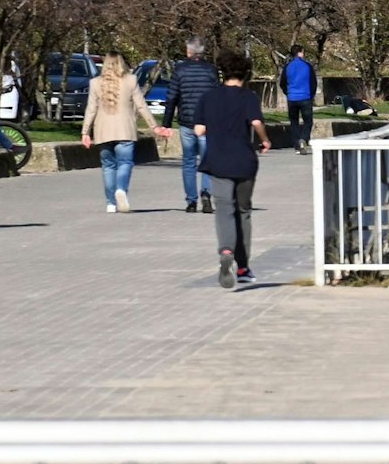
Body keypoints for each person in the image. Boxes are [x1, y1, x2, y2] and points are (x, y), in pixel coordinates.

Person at [196, 50, 272, 288]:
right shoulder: (248, 97)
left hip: (218, 161)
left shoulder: (208, 97)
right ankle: (242, 266)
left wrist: (215, 128)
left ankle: (226, 250)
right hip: (244, 161)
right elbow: (257, 122)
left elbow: (198, 130)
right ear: (245, 74)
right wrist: (265, 140)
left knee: (224, 210)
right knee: (244, 212)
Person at [80, 51, 170, 213]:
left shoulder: (95, 83)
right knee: (125, 163)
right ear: (122, 63)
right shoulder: (131, 81)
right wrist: (155, 127)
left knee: (108, 166)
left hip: (103, 131)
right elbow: (141, 105)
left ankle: (110, 203)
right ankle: (121, 189)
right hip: (125, 130)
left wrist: (85, 132)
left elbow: (91, 109)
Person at [166, 37, 222, 213]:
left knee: (189, 162)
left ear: (188, 51)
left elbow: (172, 97)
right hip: (207, 123)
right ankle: (206, 193)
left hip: (186, 122)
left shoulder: (180, 70)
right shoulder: (211, 71)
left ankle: (191, 201)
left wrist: (166, 123)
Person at [280, 45, 318, 155]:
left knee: (294, 122)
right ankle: (304, 139)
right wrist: (311, 95)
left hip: (292, 98)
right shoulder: (307, 66)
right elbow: (313, 83)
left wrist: (288, 93)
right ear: (300, 53)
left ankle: (297, 146)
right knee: (308, 121)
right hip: (305, 97)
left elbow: (282, 83)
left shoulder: (287, 67)